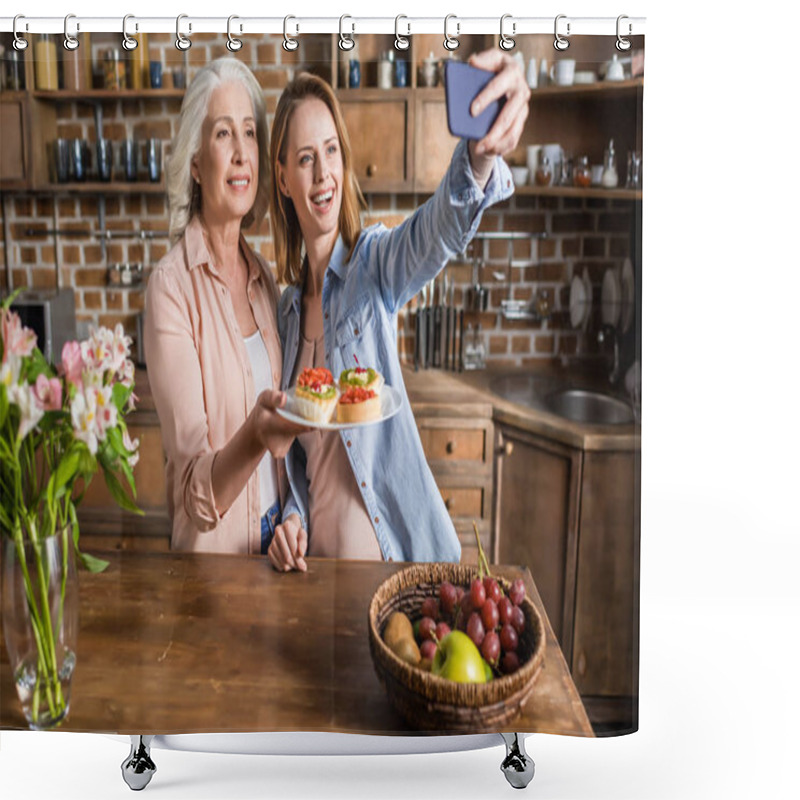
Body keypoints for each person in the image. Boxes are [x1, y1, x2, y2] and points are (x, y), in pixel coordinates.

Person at [267, 49, 530, 572]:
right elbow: (303, 460)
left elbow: (432, 234)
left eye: (331, 151)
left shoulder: (373, 264)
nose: (323, 174)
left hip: (385, 573)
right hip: (313, 574)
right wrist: (291, 519)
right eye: (304, 158)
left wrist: (478, 158)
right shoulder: (287, 315)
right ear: (282, 178)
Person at [144, 58, 305, 554]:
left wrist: (292, 518)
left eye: (250, 133)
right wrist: (256, 434)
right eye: (222, 134)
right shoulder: (170, 289)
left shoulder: (265, 281)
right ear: (195, 163)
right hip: (212, 577)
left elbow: (286, 460)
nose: (241, 154)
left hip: (274, 559)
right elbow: (195, 494)